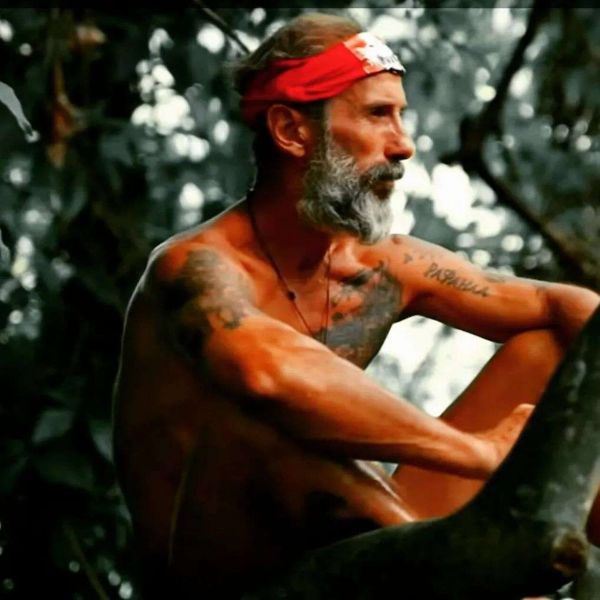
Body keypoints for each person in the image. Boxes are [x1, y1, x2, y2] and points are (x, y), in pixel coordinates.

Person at [112, 12, 600, 598]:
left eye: (401, 115)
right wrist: (477, 453)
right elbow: (265, 375)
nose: (404, 144)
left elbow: (559, 305)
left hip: (366, 547)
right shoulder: (194, 266)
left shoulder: (380, 266)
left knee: (552, 350)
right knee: (270, 406)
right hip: (226, 580)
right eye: (377, 114)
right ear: (291, 131)